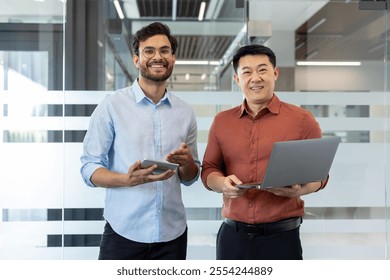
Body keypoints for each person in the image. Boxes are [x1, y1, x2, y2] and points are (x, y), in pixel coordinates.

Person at [80, 22, 200, 260]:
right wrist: (126, 180)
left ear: (173, 58)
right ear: (136, 59)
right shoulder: (112, 106)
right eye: (149, 51)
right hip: (123, 234)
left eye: (165, 50)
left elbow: (190, 177)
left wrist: (187, 164)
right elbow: (88, 167)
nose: (158, 56)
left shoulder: (185, 112)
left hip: (172, 236)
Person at [201, 44, 327, 260]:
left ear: (275, 73)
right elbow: (209, 170)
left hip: (282, 239)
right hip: (233, 238)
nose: (255, 78)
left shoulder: (302, 120)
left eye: (262, 70)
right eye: (247, 72)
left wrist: (300, 190)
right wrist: (222, 184)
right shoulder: (222, 121)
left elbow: (320, 175)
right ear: (237, 79)